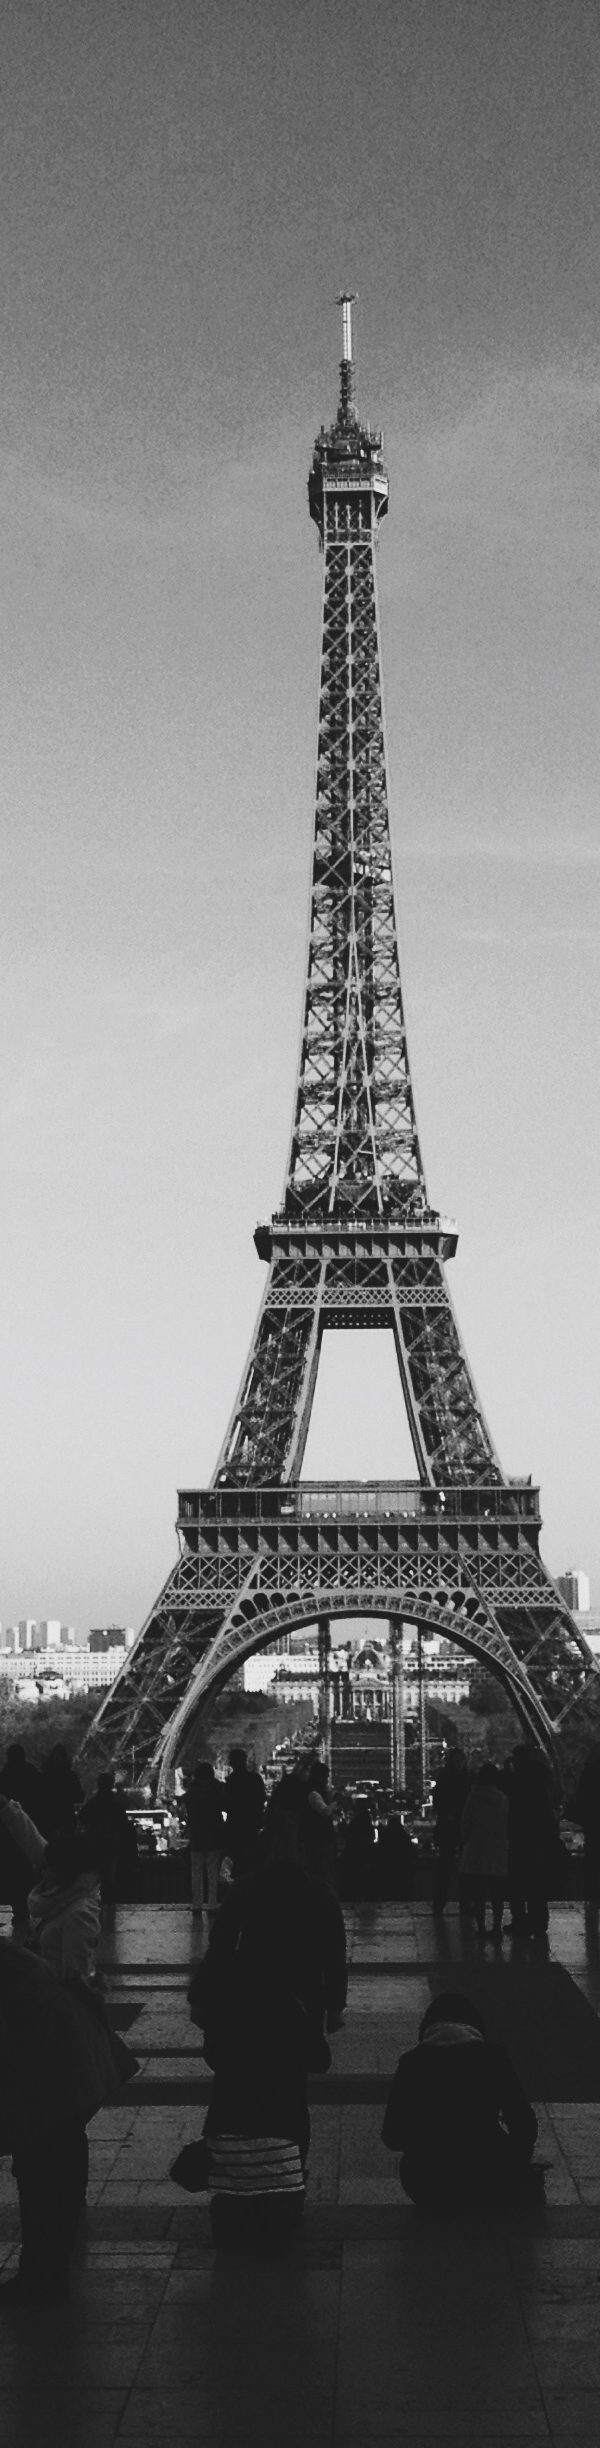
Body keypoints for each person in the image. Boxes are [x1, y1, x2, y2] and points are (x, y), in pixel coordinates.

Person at [184, 1797, 346, 2248]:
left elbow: (220, 1949)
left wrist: (202, 1997)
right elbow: (334, 1954)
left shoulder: (246, 1891)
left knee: (240, 2089)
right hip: (298, 2008)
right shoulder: (318, 1894)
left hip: (245, 2004)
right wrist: (335, 2005)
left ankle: (238, 2182)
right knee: (292, 2096)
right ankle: (289, 2181)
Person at [0, 1939, 139, 2303]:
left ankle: (42, 2280)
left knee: (42, 2171)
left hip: (56, 2069)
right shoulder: (11, 1960)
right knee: (51, 2166)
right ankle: (45, 2274)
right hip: (68, 2062)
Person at [381, 1987, 541, 2211]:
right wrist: (512, 2159)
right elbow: (524, 2125)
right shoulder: (493, 2058)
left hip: (427, 2184)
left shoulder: (412, 2063)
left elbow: (392, 2135)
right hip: (489, 2177)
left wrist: (426, 2140)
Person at [27, 1832, 102, 1985]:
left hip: (55, 1993)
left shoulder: (77, 1914)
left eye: (48, 1868)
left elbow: (76, 1975)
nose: (43, 1873)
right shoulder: (63, 1904)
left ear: (63, 1872)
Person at [507, 1746, 559, 1940]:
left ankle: (520, 1920)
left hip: (520, 1838)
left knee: (518, 1884)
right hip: (540, 1840)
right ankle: (539, 1921)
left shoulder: (517, 1780)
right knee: (537, 1884)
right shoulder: (544, 1780)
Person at [458, 1762, 508, 1942]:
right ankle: (497, 1926)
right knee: (497, 1893)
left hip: (476, 1849)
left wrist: (465, 1840)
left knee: (478, 1893)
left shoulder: (473, 1798)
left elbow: (465, 1823)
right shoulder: (502, 1799)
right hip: (497, 1849)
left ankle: (480, 1926)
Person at [80, 1770, 138, 1910]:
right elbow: (122, 1822)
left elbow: (82, 1817)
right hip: (111, 1843)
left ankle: (98, 1901)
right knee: (110, 1873)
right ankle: (109, 1900)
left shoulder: (93, 1803)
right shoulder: (116, 1803)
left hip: (96, 1842)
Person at [432, 1747, 470, 1915]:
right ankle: (464, 1903)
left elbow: (438, 1802)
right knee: (461, 1867)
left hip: (449, 1827)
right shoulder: (467, 1780)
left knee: (445, 1867)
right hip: (460, 1827)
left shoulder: (444, 1779)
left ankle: (440, 1903)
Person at [185, 1760, 225, 1914]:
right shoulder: (215, 1790)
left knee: (196, 1872)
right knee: (212, 1871)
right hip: (213, 1835)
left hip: (196, 1836)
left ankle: (197, 1904)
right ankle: (212, 1903)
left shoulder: (192, 1791)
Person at [223, 1748, 266, 1878]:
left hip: (235, 1825)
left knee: (237, 1860)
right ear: (245, 1761)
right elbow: (261, 1799)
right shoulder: (255, 1779)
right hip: (252, 1824)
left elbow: (226, 1804)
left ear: (231, 1763)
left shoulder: (231, 1782)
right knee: (251, 1859)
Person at [573, 1746, 600, 1906]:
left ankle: (592, 1892)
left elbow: (582, 1797)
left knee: (592, 1856)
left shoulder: (588, 1773)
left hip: (592, 1821)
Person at [39, 1744, 83, 1841]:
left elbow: (39, 1795)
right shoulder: (70, 1776)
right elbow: (80, 1796)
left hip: (49, 1816)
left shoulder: (46, 1775)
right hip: (65, 1817)